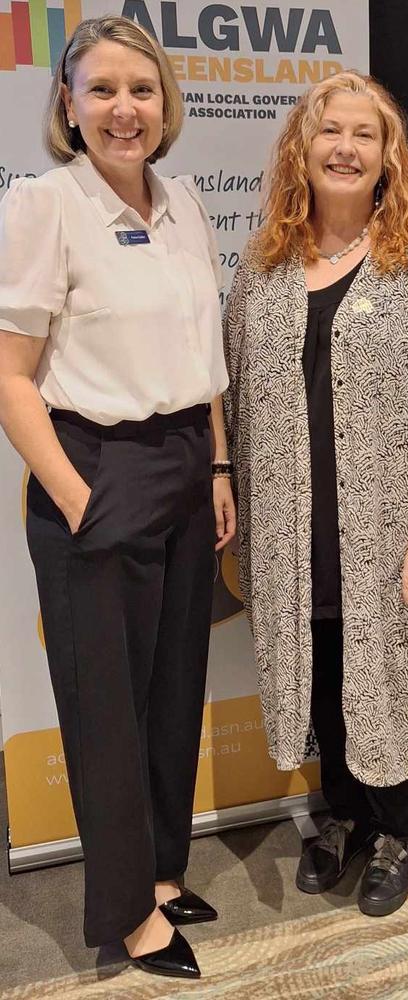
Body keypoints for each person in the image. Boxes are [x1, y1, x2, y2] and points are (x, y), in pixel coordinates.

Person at [224, 71, 408, 917]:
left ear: (388, 157)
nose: (345, 148)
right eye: (328, 132)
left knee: (391, 676)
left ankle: (392, 829)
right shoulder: (264, 268)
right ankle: (339, 815)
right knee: (322, 671)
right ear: (301, 150)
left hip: (389, 532)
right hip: (292, 532)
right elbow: (228, 393)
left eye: (363, 135)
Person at [0, 16, 235, 978]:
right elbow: (12, 376)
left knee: (174, 688)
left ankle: (163, 875)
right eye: (101, 90)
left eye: (141, 90)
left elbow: (203, 358)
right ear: (67, 103)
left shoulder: (181, 200)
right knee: (107, 707)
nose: (123, 109)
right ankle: (126, 916)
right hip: (95, 468)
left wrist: (216, 467)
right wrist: (75, 492)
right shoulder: (44, 205)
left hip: (185, 460)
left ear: (165, 103)